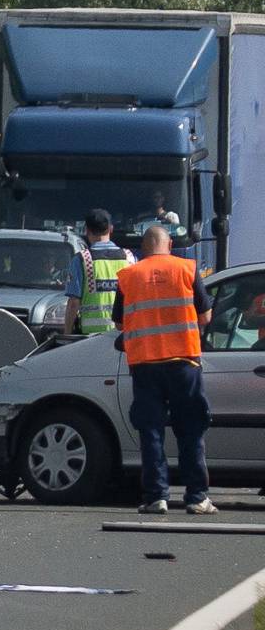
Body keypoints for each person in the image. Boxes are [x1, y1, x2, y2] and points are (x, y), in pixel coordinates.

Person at [113, 222, 214, 515]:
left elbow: (119, 322)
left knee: (151, 432)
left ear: (143, 250)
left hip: (145, 365)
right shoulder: (187, 269)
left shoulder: (129, 276)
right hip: (184, 363)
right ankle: (197, 497)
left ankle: (157, 496)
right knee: (191, 430)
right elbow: (205, 315)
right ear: (169, 245)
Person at [64, 209, 128, 338]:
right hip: (123, 336)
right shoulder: (129, 258)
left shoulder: (81, 260)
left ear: (86, 230)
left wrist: (67, 333)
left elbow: (73, 303)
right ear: (111, 229)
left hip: (91, 337)